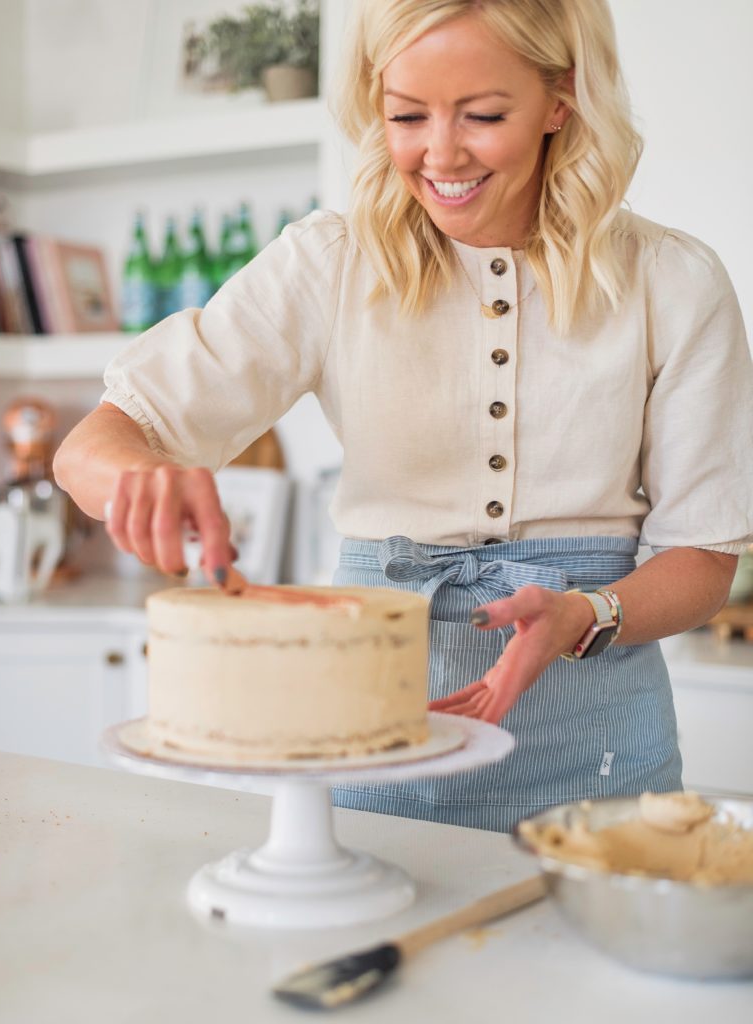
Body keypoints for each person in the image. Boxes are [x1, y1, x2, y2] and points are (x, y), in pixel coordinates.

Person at [54, 0, 753, 832]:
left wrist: (585, 613)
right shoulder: (329, 265)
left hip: (602, 754)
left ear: (560, 99)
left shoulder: (673, 282)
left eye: (483, 115)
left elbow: (701, 557)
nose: (440, 153)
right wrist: (140, 479)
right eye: (406, 115)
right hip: (369, 738)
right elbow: (94, 445)